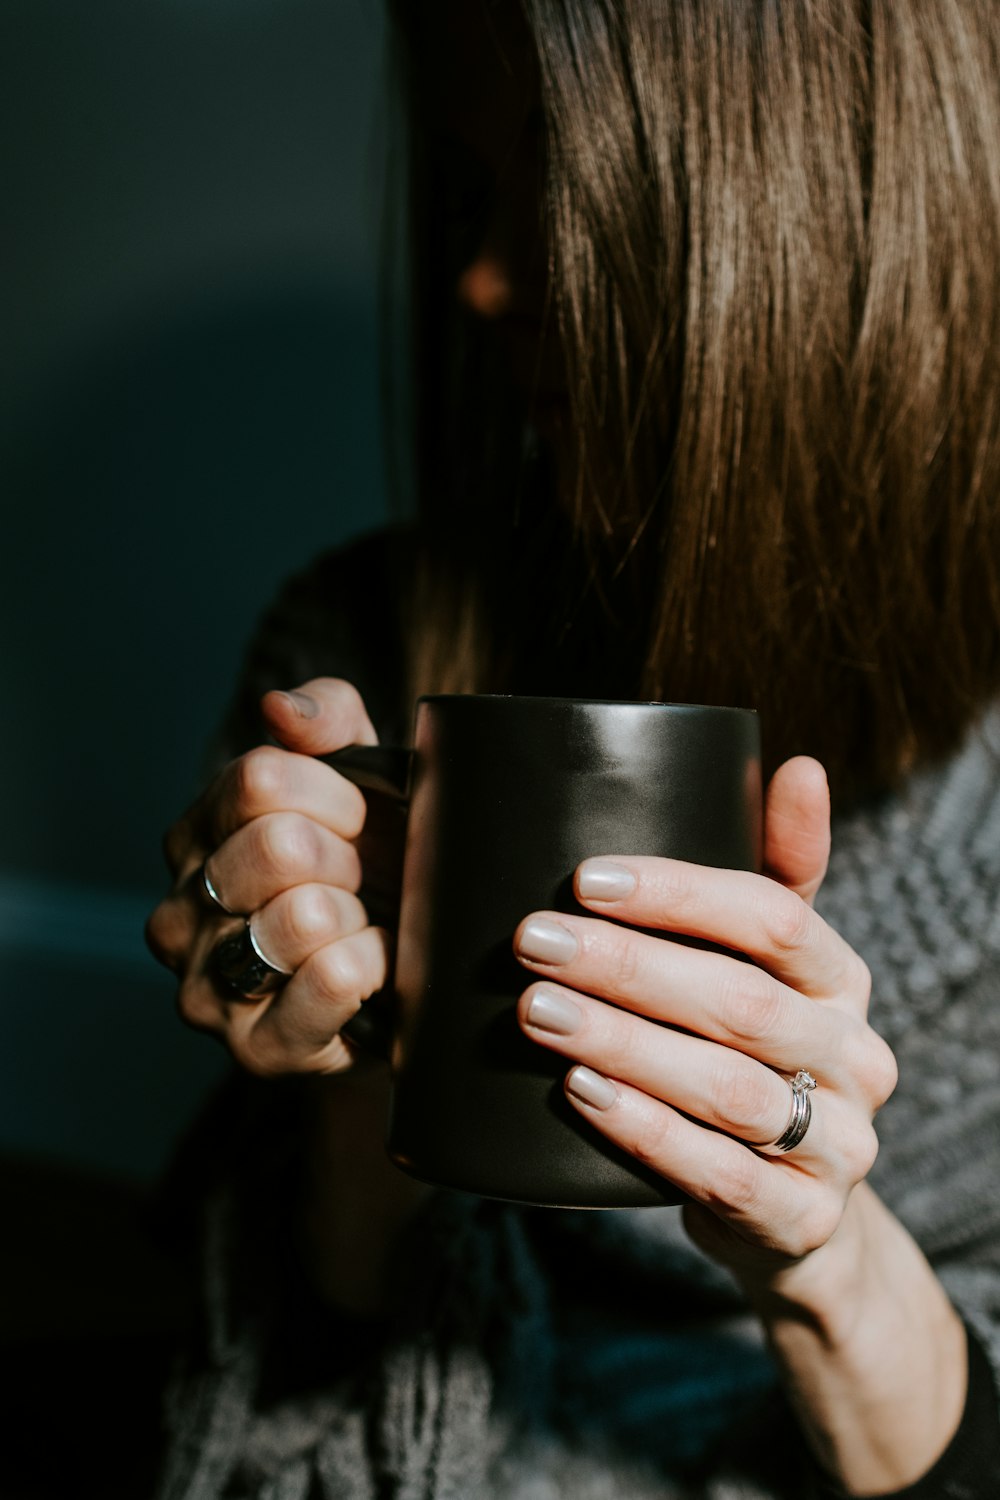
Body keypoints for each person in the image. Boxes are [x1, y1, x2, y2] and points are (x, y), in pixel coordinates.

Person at [145, 1, 1000, 1496]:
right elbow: (251, 1421)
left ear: (821, 214)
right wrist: (358, 1086)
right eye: (474, 188)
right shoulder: (361, 649)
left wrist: (824, 1263)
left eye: (569, 193)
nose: (481, 279)